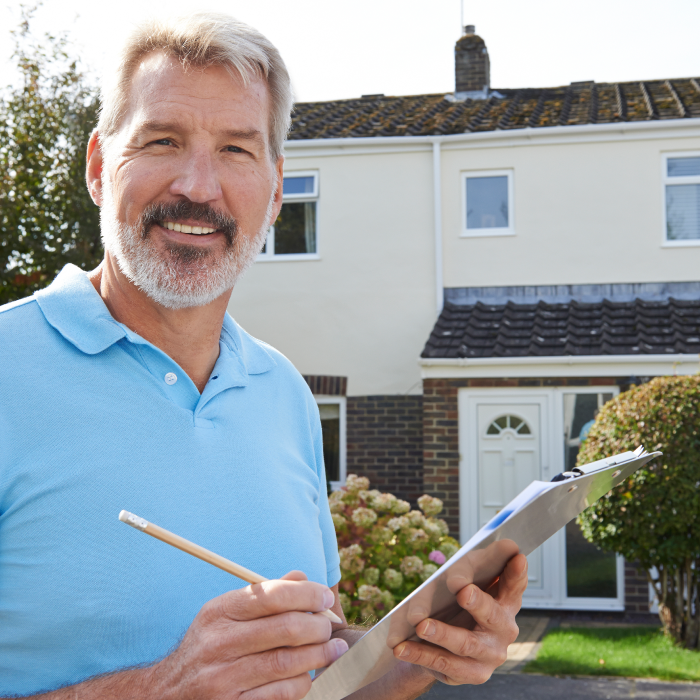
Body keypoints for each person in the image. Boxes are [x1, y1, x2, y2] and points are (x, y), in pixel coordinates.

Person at [0, 12, 527, 699]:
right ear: (100, 166)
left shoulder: (284, 393)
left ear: (276, 192)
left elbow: (322, 681)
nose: (197, 185)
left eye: (236, 150)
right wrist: (161, 688)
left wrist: (429, 653)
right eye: (162, 140)